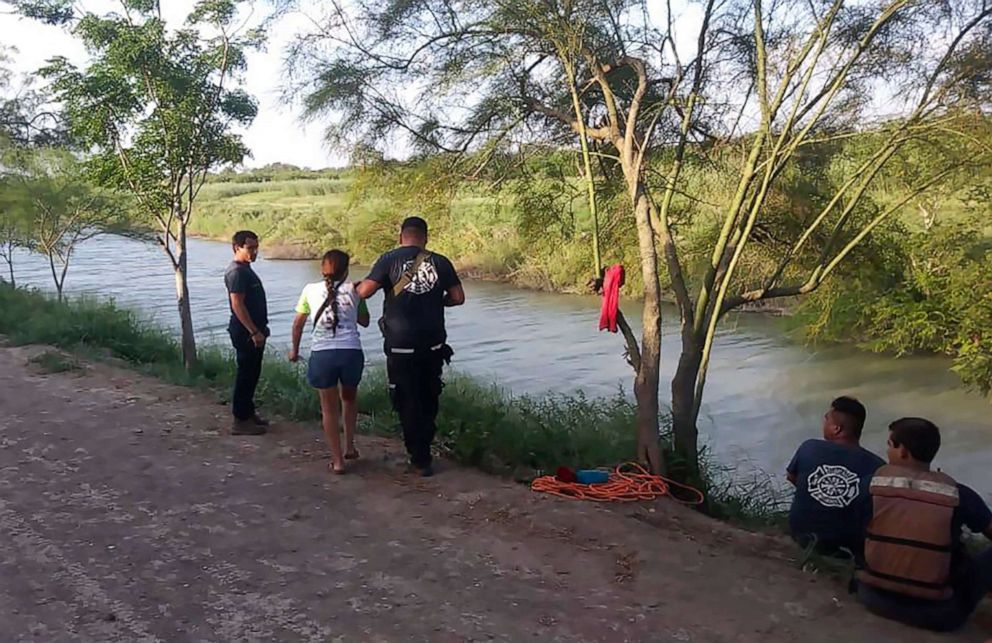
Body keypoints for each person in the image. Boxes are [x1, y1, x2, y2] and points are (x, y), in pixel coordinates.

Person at [856, 417, 992, 632]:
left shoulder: (871, 485)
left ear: (903, 451)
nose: (887, 451)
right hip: (940, 615)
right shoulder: (959, 494)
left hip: (873, 598)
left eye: (889, 445)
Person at [356, 216, 465, 477]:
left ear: (401, 236)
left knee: (406, 398)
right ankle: (424, 454)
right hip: (432, 344)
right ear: (425, 237)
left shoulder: (387, 260)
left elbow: (363, 293)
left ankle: (416, 456)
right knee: (429, 395)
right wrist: (439, 302)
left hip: (400, 344)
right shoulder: (440, 261)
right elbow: (458, 298)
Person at [289, 250, 370, 474]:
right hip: (351, 352)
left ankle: (337, 461)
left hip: (322, 354)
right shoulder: (356, 290)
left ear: (322, 269)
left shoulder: (309, 290)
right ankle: (350, 446)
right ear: (346, 270)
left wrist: (294, 351)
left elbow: (298, 324)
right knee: (349, 400)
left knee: (328, 409)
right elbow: (365, 321)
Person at [787, 396, 885, 561]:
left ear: (836, 429)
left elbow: (792, 477)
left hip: (800, 533)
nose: (823, 423)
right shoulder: (877, 466)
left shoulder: (810, 447)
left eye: (826, 419)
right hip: (847, 544)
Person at [225, 230, 269, 435]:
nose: (254, 252)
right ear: (237, 248)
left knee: (253, 373)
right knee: (246, 374)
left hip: (255, 330)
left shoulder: (245, 269)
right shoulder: (237, 272)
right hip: (245, 332)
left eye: (256, 247)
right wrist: (253, 331)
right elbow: (237, 304)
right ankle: (240, 420)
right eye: (250, 248)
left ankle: (248, 412)